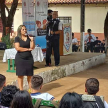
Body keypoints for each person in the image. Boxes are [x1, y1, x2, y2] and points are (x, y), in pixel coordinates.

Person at [14, 25, 35, 90]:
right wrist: (27, 49)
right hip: (20, 59)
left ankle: (31, 90)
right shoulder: (17, 38)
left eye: (25, 29)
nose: (25, 30)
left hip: (29, 58)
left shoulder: (29, 37)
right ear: (20, 30)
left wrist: (32, 41)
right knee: (20, 75)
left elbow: (32, 48)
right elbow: (18, 48)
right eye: (23, 29)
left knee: (30, 75)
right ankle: (21, 90)